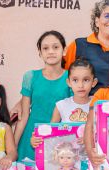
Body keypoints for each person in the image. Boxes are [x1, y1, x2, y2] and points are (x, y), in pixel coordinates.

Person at [14, 31, 71, 162]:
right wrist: (13, 147)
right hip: (31, 138)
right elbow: (24, 115)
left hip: (59, 140)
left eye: (55, 47)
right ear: (40, 53)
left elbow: (72, 113)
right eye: (45, 48)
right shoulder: (30, 76)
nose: (51, 51)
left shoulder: (71, 77)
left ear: (64, 50)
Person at [64, 0, 109, 94]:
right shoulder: (78, 45)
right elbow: (63, 78)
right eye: (107, 16)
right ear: (97, 21)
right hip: (83, 103)